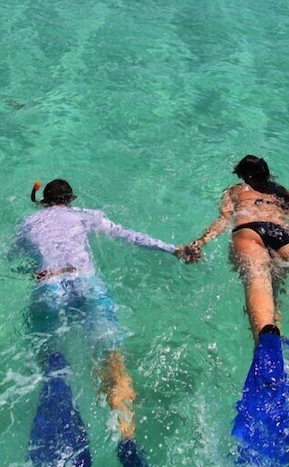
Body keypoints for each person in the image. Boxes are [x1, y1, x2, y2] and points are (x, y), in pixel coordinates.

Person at [12, 178, 176, 442]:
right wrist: (172, 249)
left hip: (49, 285)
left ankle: (55, 393)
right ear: (71, 199)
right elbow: (128, 235)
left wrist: (29, 271)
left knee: (48, 353)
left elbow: (12, 260)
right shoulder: (85, 216)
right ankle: (126, 435)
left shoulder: (27, 224)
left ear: (44, 202)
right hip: (86, 283)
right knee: (110, 357)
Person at [176, 155, 289, 341]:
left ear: (242, 175)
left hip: (250, 231)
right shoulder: (281, 192)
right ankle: (281, 336)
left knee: (259, 287)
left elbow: (223, 221)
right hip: (282, 236)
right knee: (275, 291)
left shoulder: (236, 191)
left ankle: (266, 349)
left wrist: (199, 242)